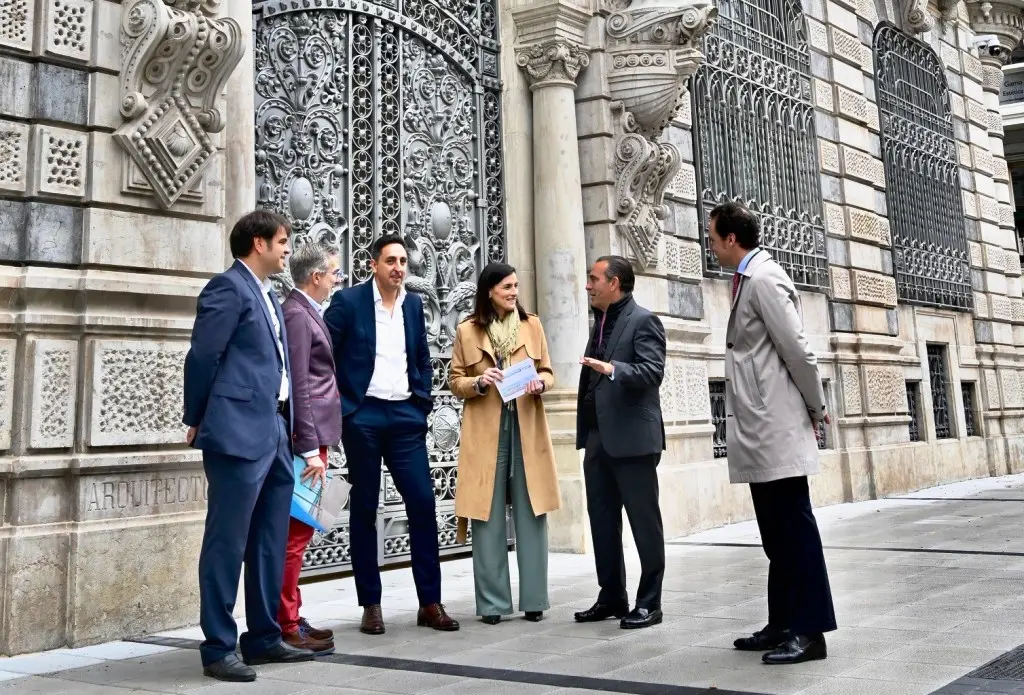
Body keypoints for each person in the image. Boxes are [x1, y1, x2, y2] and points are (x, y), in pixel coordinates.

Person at [183, 210, 315, 683]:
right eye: (282, 241)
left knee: (269, 540)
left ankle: (262, 638)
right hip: (236, 431)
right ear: (258, 243)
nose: (286, 249)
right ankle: (218, 646)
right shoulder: (227, 288)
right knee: (227, 541)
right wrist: (195, 417)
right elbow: (202, 355)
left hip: (276, 431)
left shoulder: (270, 295)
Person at [707, 201, 836, 665]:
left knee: (793, 531)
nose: (709, 242)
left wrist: (816, 406)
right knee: (775, 534)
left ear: (731, 239)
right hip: (762, 426)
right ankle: (781, 623)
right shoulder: (747, 278)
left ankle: (810, 632)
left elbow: (797, 351)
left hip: (777, 424)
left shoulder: (764, 278)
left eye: (712, 235)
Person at [323, 234, 459, 634]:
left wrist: (421, 401)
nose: (399, 268)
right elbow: (323, 353)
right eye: (391, 261)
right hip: (362, 416)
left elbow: (420, 356)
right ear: (373, 265)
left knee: (422, 503)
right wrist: (344, 407)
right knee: (364, 508)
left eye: (403, 261)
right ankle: (371, 604)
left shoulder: (413, 305)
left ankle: (429, 603)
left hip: (404, 417)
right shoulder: (348, 303)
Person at [449, 263, 561, 625]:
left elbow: (547, 371)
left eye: (515, 286)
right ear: (489, 290)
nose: (514, 292)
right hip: (486, 431)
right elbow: (455, 380)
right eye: (507, 287)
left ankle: (534, 599)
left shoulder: (533, 325)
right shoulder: (467, 330)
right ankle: (493, 604)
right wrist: (479, 381)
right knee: (487, 515)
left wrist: (541, 384)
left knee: (532, 513)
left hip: (526, 427)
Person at [574, 255, 667, 630]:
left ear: (614, 283)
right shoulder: (600, 321)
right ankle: (612, 595)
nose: (588, 285)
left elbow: (652, 371)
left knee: (645, 524)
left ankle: (650, 603)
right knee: (602, 521)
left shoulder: (644, 320)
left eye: (593, 278)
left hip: (632, 443)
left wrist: (612, 369)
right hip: (598, 440)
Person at [278, 243, 344, 654]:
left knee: (298, 534)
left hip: (316, 438)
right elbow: (299, 385)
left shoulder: (304, 312)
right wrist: (309, 449)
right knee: (295, 537)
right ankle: (286, 623)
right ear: (316, 276)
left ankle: (292, 614)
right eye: (333, 272)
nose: (337, 279)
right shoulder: (298, 315)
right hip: (307, 442)